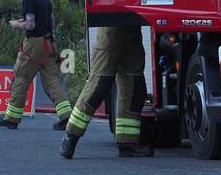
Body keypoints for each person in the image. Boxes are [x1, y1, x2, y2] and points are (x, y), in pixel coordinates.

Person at [0, 0, 72, 130]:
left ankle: (12, 118)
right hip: (49, 42)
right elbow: (50, 19)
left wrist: (15, 24)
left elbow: (30, 25)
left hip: (34, 44)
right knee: (52, 81)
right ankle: (66, 117)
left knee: (21, 77)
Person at [59, 22, 152, 158]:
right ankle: (70, 136)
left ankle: (127, 144)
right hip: (110, 30)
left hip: (133, 33)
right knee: (98, 87)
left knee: (134, 89)